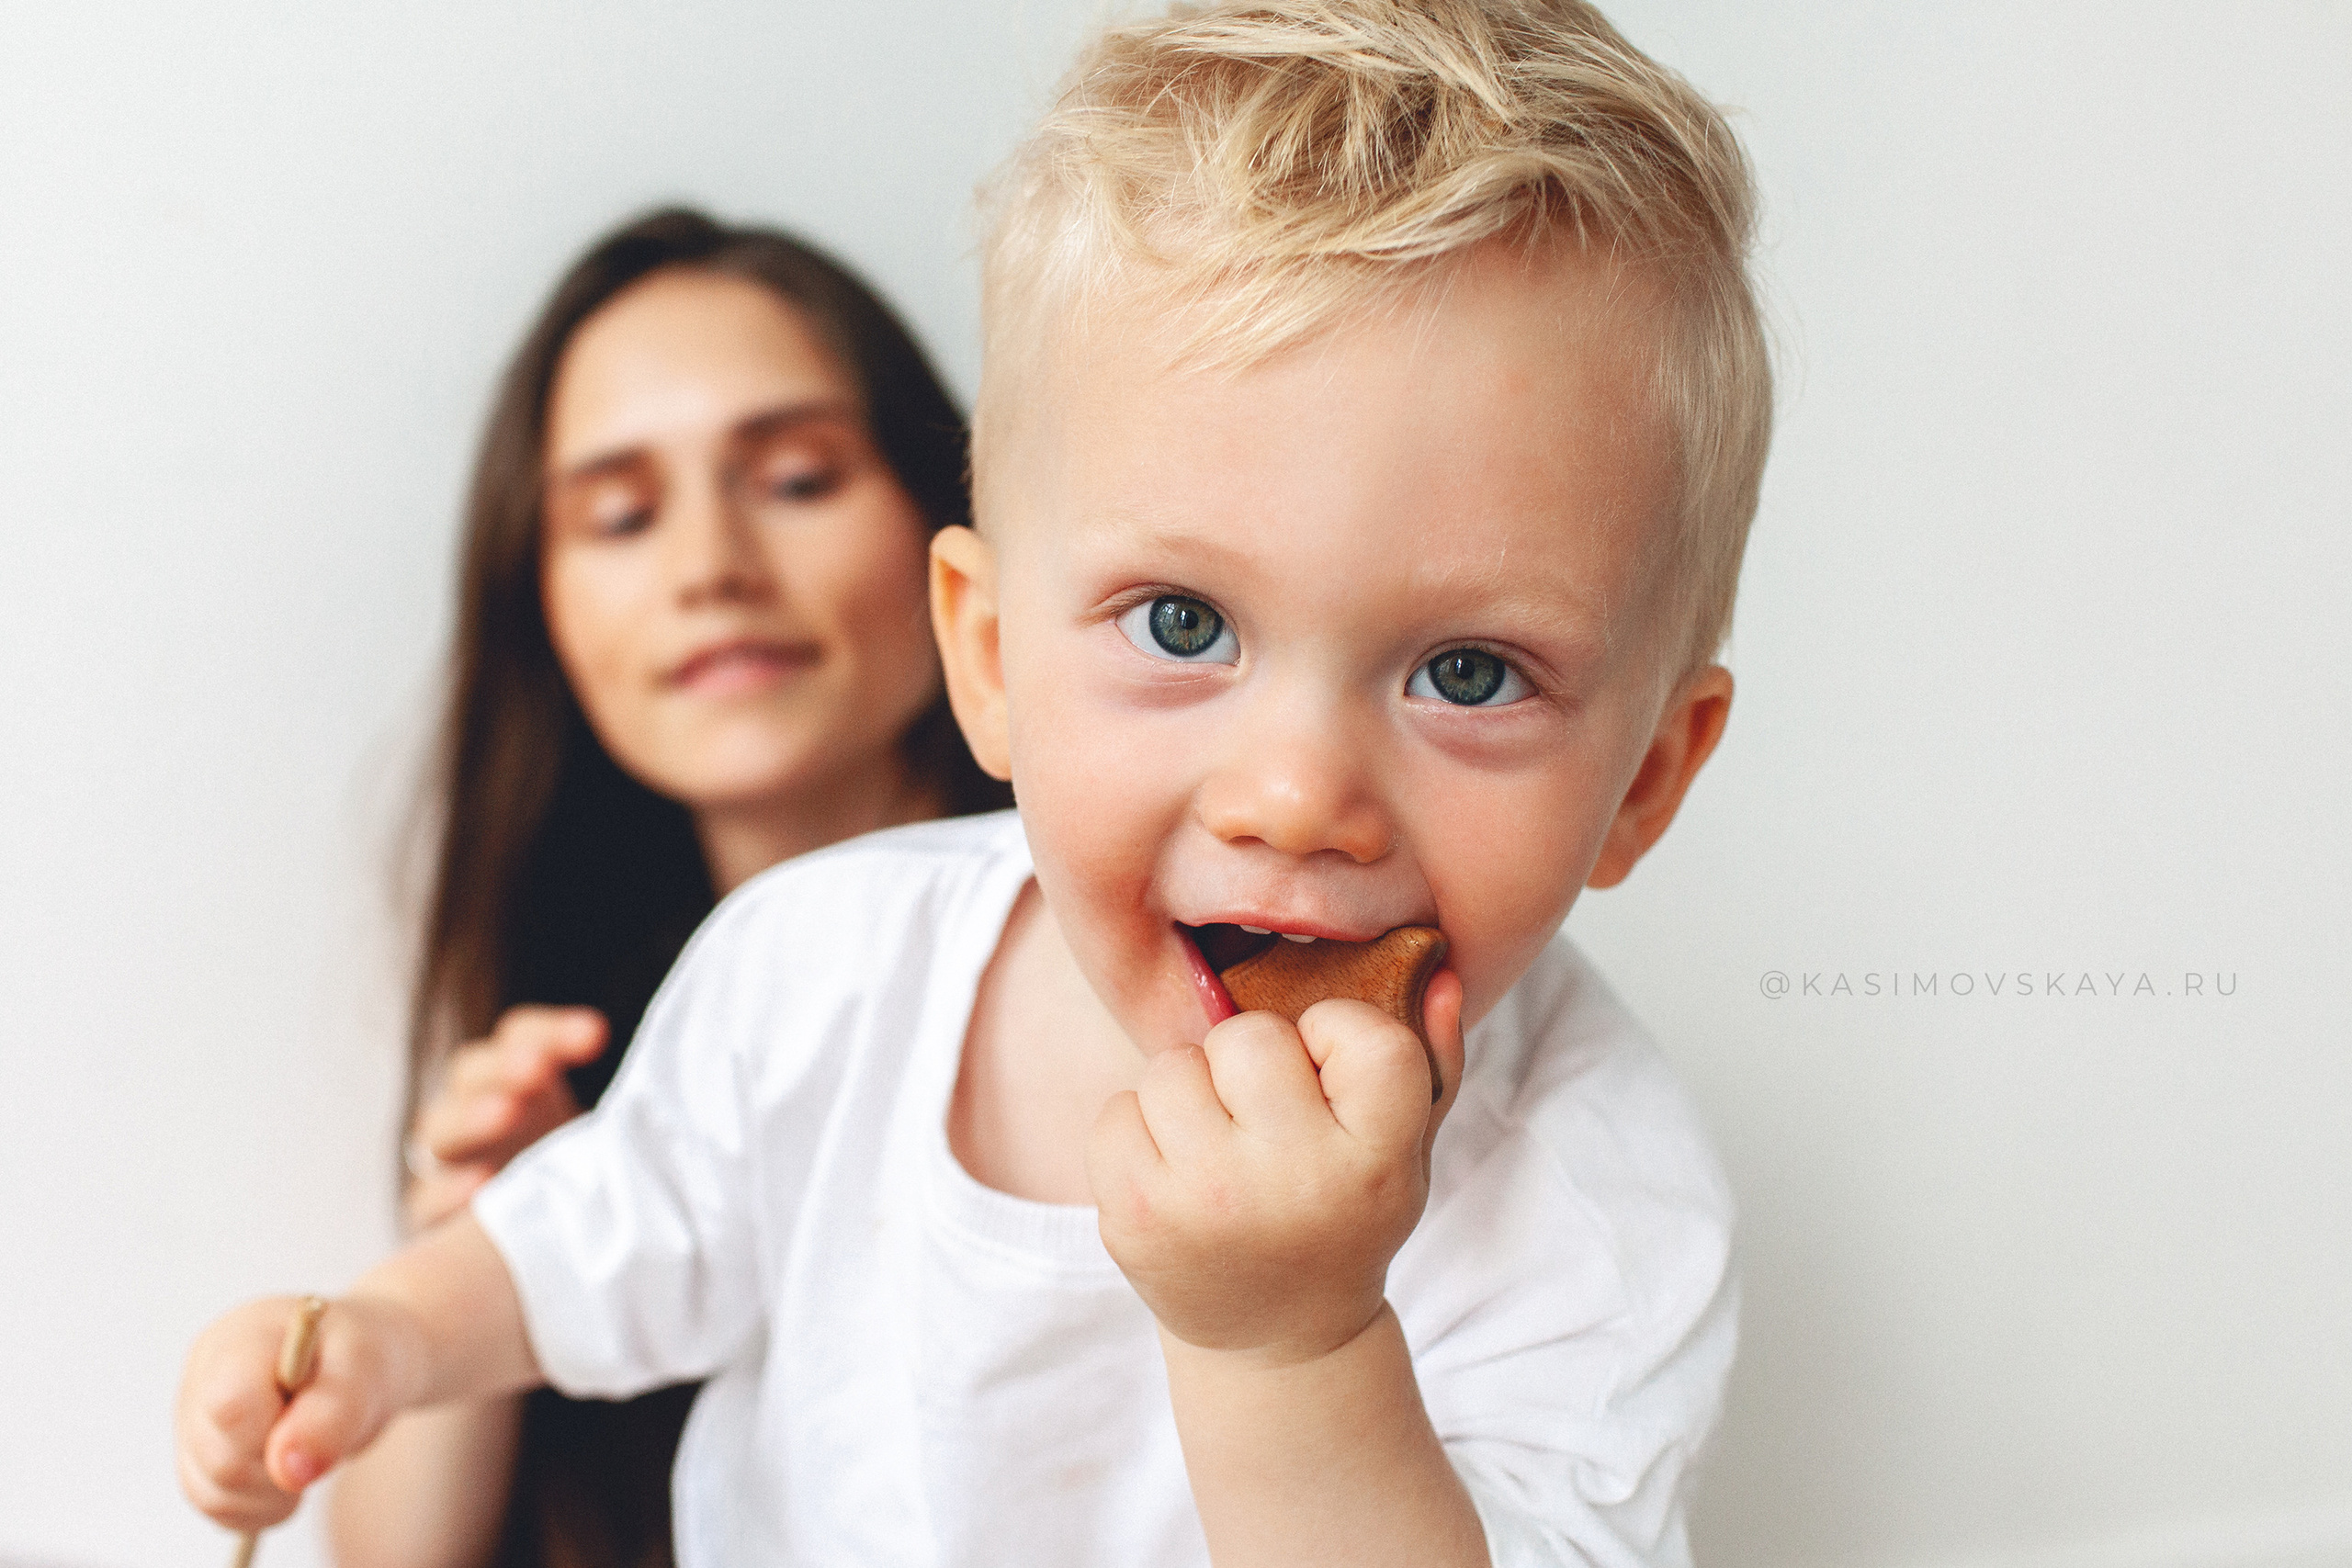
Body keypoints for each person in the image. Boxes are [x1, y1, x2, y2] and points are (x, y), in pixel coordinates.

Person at [177, 3, 1773, 1563]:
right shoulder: (820, 972)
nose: (1294, 795)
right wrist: (380, 1336)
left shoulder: (1590, 1209)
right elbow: (600, 1234)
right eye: (1185, 624)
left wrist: (1293, 1347)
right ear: (995, 656)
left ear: (1645, 778)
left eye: (1470, 673)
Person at [324, 207, 1009, 1568]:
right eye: (623, 517)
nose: (711, 569)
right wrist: (490, 1260)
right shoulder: (575, 1075)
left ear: (955, 551)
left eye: (801, 479)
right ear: (547, 613)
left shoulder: (1140, 968)